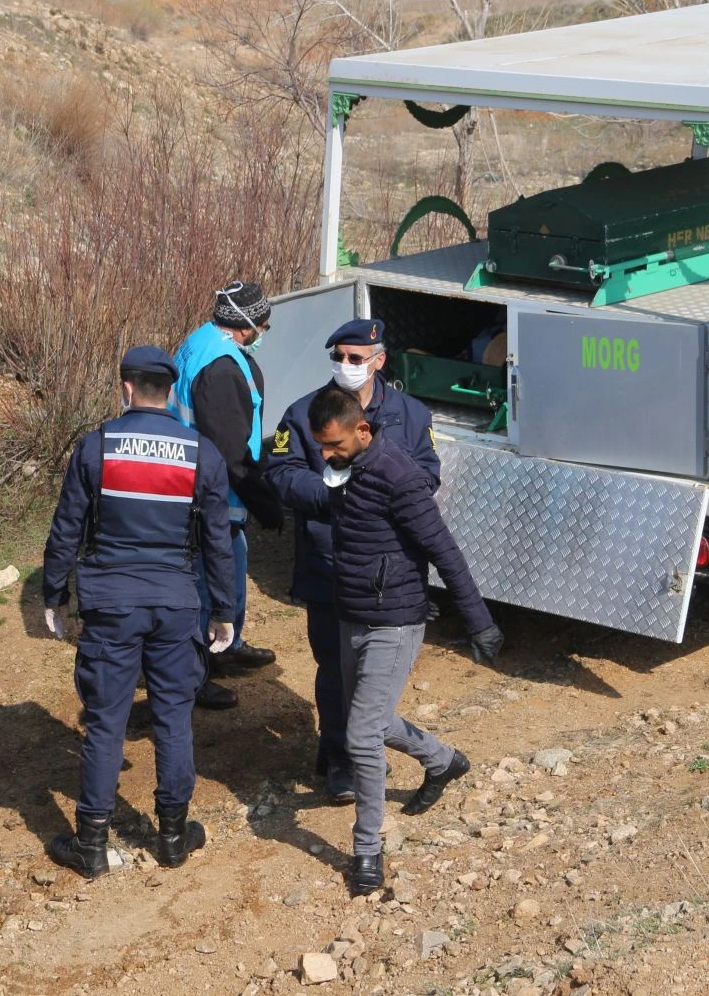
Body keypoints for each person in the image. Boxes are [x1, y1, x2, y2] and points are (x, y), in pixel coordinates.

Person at [42, 346, 236, 879]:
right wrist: (223, 610)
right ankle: (173, 836)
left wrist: (55, 595)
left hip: (110, 603)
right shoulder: (201, 452)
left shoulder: (97, 446)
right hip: (176, 602)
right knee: (174, 717)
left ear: (126, 388)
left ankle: (92, 843)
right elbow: (217, 541)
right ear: (170, 392)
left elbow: (66, 529)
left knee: (106, 723)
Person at [307, 385, 504, 897]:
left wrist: (477, 621)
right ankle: (443, 760)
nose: (326, 457)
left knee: (362, 735)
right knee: (366, 721)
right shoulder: (346, 471)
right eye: (321, 447)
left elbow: (443, 548)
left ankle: (367, 849)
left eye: (334, 447)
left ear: (363, 431)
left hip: (394, 621)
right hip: (352, 614)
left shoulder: (400, 477)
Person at [264, 319, 439, 804]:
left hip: (389, 571)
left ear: (379, 360)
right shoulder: (305, 413)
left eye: (356, 358)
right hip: (330, 563)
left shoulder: (410, 413)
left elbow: (428, 473)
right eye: (339, 357)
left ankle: (362, 749)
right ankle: (341, 757)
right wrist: (332, 494)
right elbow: (280, 474)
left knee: (375, 672)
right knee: (335, 665)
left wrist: (390, 496)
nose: (346, 366)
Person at [171, 281, 283, 711]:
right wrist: (265, 502)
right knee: (206, 586)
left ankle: (228, 643)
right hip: (208, 497)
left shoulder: (201, 341)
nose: (266, 327)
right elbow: (230, 454)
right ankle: (194, 676)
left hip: (206, 491)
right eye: (263, 321)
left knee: (230, 573)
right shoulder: (220, 370)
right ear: (247, 324)